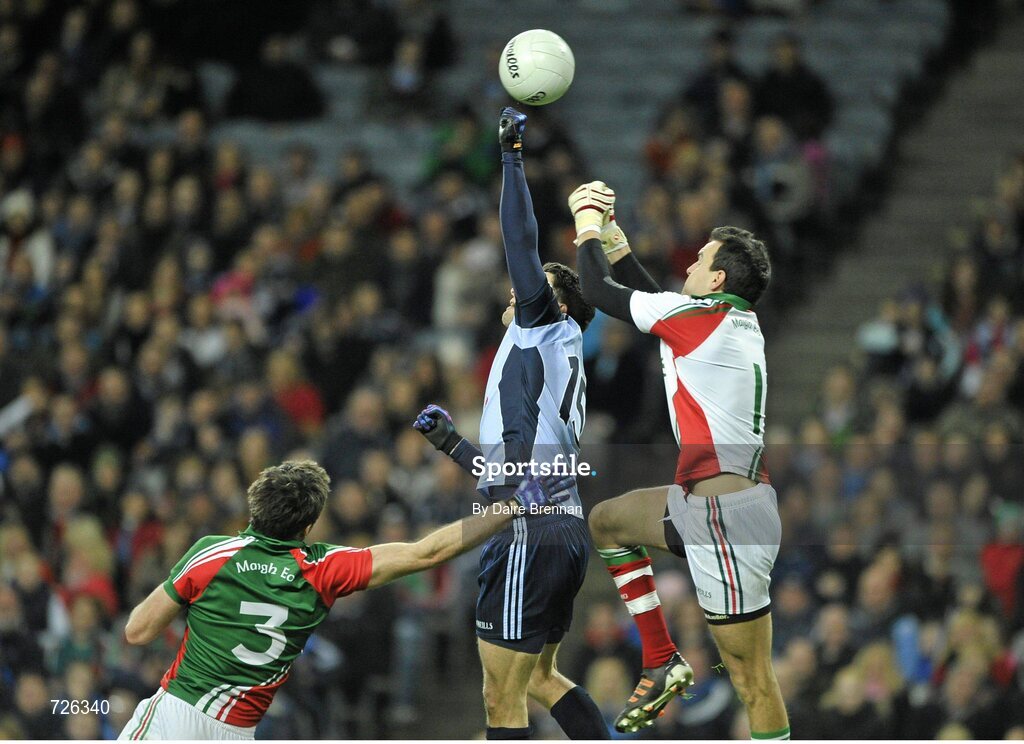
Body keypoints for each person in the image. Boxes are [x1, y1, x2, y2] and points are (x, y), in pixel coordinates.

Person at [117, 459, 572, 740]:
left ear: (254, 510)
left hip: (173, 717)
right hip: (238, 732)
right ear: (309, 527)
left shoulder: (212, 552)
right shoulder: (323, 569)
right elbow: (427, 552)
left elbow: (137, 631)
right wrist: (514, 503)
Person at [412, 108, 606, 740]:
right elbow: (520, 469)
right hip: (558, 523)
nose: (520, 289)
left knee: (501, 699)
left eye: (537, 287)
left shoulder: (544, 327)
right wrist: (455, 445)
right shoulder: (551, 358)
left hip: (530, 533)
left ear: (559, 305)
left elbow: (520, 243)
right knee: (540, 680)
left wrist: (512, 156)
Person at [569, 183, 789, 739]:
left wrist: (587, 223)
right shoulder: (720, 320)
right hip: (706, 503)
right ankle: (662, 656)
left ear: (716, 280)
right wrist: (619, 246)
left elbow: (597, 290)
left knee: (752, 678)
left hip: (728, 518)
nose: (690, 263)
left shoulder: (700, 321)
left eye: (701, 259)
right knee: (608, 522)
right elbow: (652, 305)